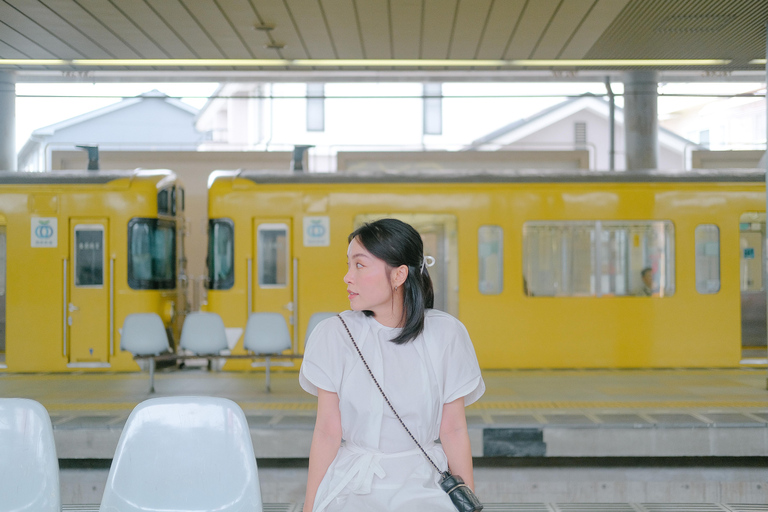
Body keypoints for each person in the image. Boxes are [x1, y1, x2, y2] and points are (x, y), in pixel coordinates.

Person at [299, 218, 485, 512]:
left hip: (424, 481)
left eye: (359, 265)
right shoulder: (333, 334)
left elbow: (453, 430)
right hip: (354, 483)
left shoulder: (446, 334)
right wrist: (309, 507)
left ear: (398, 275)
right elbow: (327, 431)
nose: (347, 277)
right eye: (348, 265)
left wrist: (468, 501)